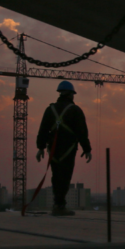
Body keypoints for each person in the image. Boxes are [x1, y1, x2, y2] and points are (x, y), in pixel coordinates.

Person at [35, 81, 92, 216]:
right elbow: (82, 132)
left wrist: (41, 148)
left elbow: (43, 130)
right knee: (65, 177)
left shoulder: (50, 109)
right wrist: (87, 149)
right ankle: (60, 206)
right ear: (71, 94)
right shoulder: (75, 110)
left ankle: (57, 204)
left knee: (56, 177)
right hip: (68, 149)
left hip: (53, 150)